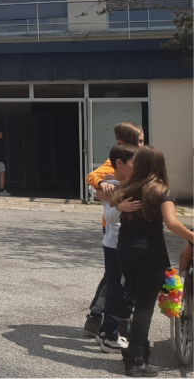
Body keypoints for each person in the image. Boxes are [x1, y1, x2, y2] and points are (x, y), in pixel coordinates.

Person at [111, 146, 194, 376]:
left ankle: (138, 349)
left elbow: (110, 204)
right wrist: (192, 236)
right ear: (160, 165)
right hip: (150, 252)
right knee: (144, 307)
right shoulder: (160, 190)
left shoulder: (128, 187)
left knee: (135, 298)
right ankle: (135, 360)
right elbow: (172, 222)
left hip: (125, 250)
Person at [82, 121, 144, 338]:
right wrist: (102, 185)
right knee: (115, 276)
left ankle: (110, 319)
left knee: (121, 276)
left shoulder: (140, 161)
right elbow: (93, 177)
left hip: (132, 227)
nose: (142, 145)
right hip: (114, 228)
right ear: (122, 144)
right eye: (139, 141)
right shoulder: (115, 162)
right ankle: (97, 316)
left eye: (143, 141)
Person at [91, 143, 140, 353]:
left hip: (124, 243)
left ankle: (106, 331)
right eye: (134, 163)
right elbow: (109, 217)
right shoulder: (110, 186)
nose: (137, 167)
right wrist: (120, 207)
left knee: (120, 287)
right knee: (117, 288)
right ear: (119, 163)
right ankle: (110, 334)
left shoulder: (133, 183)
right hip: (116, 243)